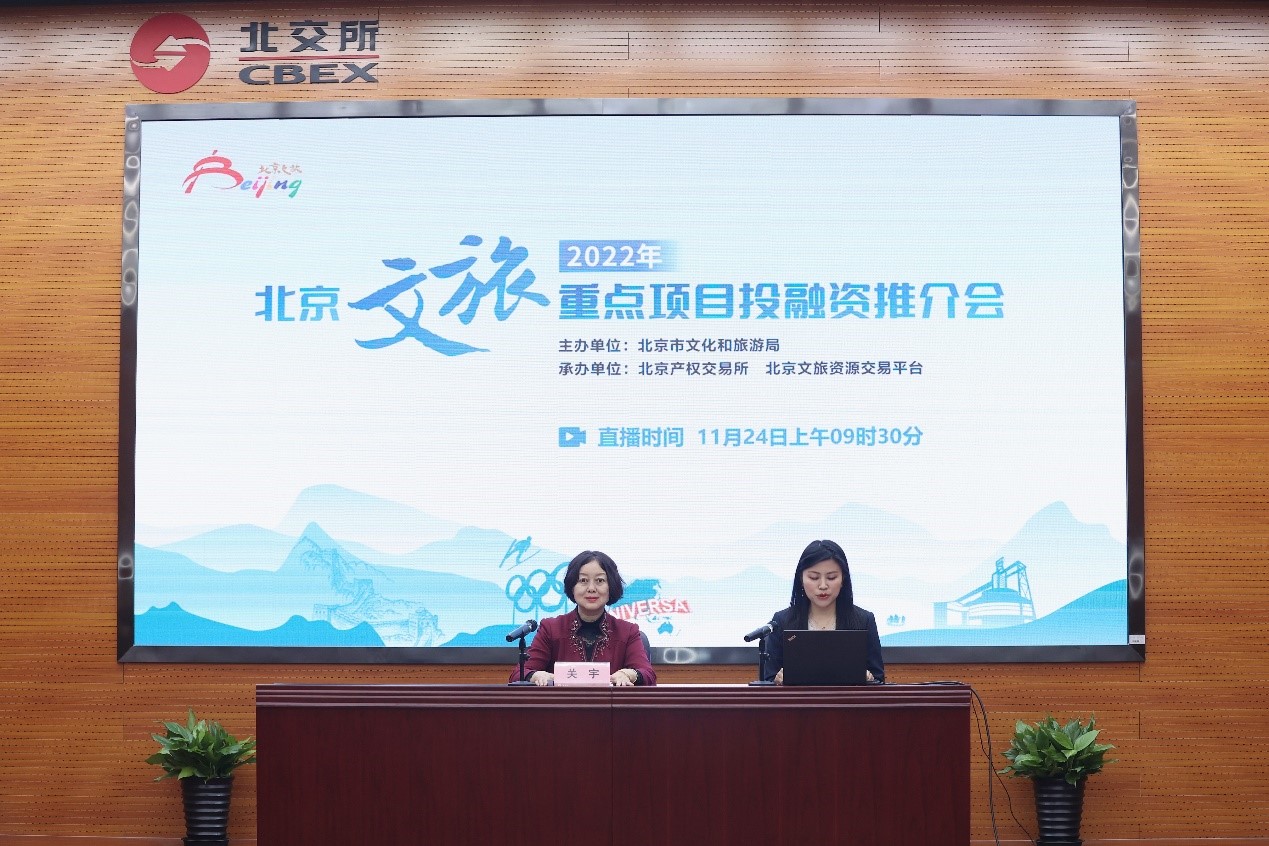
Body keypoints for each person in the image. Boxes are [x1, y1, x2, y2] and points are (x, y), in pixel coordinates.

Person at [508, 550, 656, 686]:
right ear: (572, 586)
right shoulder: (551, 628)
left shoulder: (627, 631)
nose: (591, 588)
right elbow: (518, 674)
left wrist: (628, 674)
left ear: (611, 587)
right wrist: (535, 675)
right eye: (583, 580)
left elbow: (648, 675)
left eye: (600, 581)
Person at [764, 539, 884, 684]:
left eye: (831, 577)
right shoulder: (782, 621)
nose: (823, 585)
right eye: (814, 577)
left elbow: (879, 679)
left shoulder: (864, 620)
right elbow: (767, 680)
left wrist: (869, 679)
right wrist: (777, 680)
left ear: (843, 578)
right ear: (801, 578)